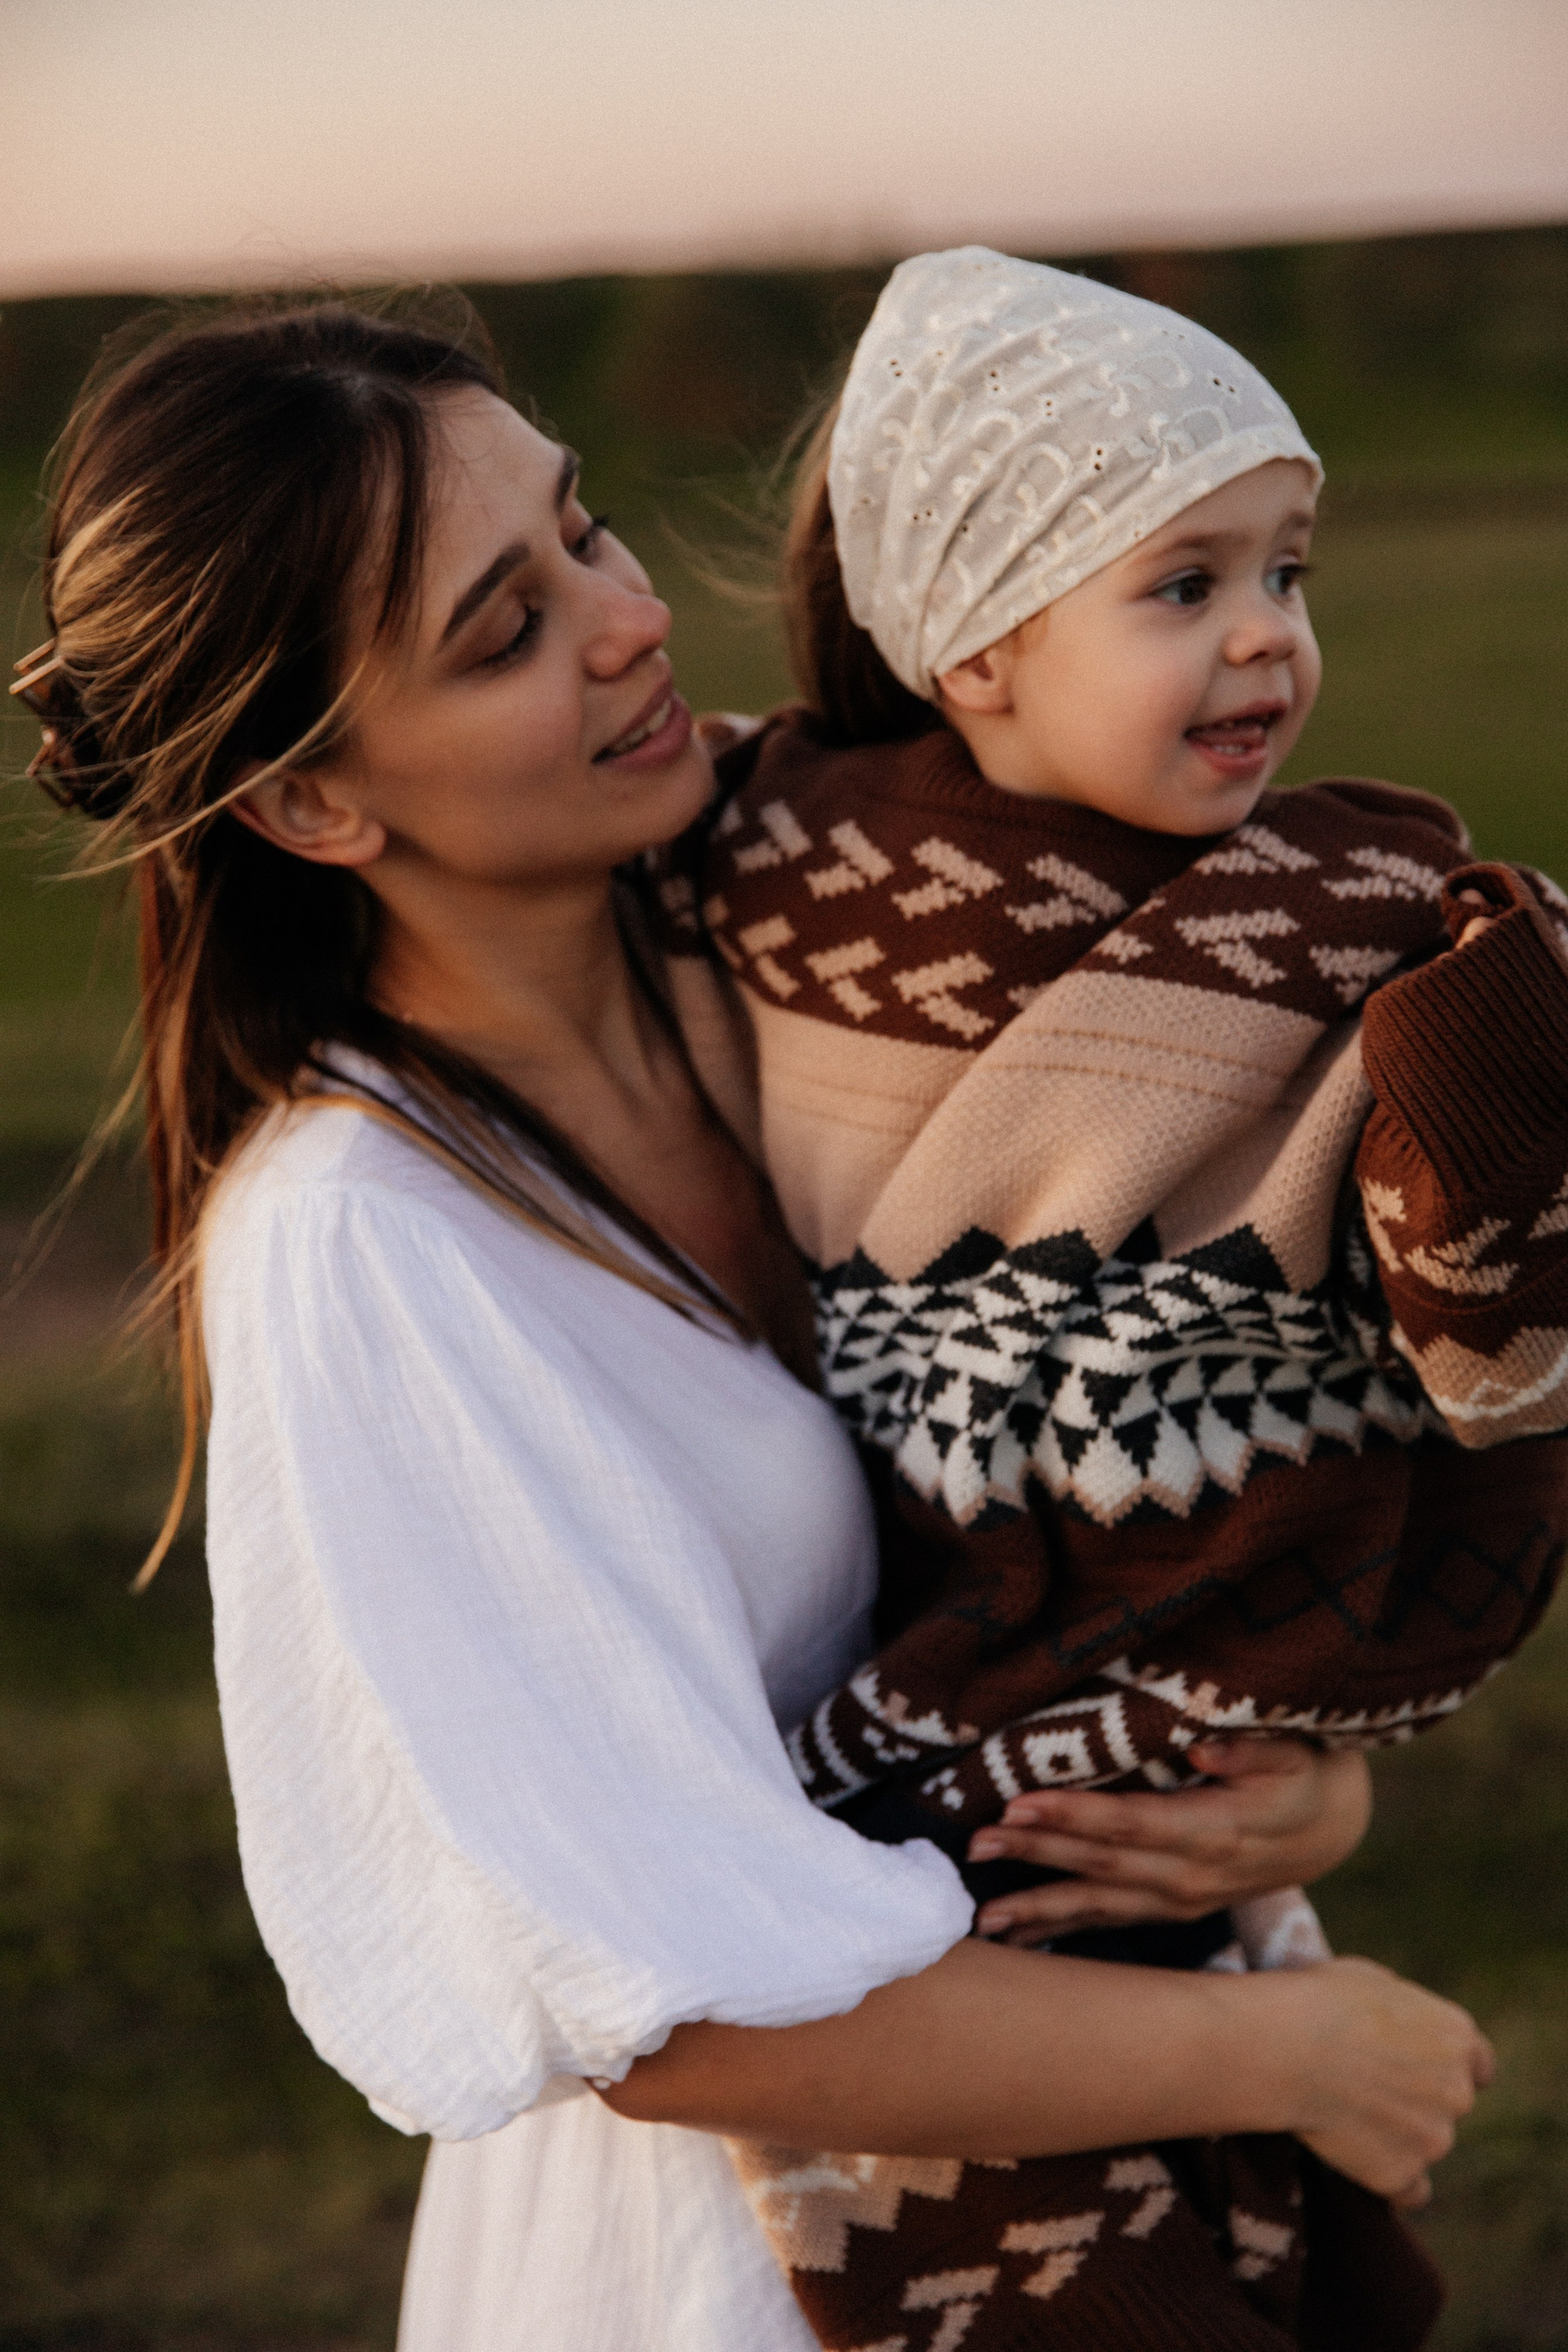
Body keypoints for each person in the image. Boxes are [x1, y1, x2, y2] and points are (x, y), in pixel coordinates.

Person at [12, 298, 1493, 2352]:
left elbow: (1129, 1489)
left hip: (1129, 2113)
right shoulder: (368, 1248)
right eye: (504, 632)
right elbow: (676, 2007)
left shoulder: (826, 925)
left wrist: (1284, 1791)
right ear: (315, 805)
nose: (628, 622)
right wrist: (1295, 2057)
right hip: (743, 2278)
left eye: (584, 530)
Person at [671, 247, 1568, 2345]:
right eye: (1184, 584)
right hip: (956, 1744)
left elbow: (1461, 1273)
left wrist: (1489, 1033)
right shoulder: (784, 873)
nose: (1270, 635)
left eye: (1289, 571)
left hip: (1175, 1703)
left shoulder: (1340, 918)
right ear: (974, 646)